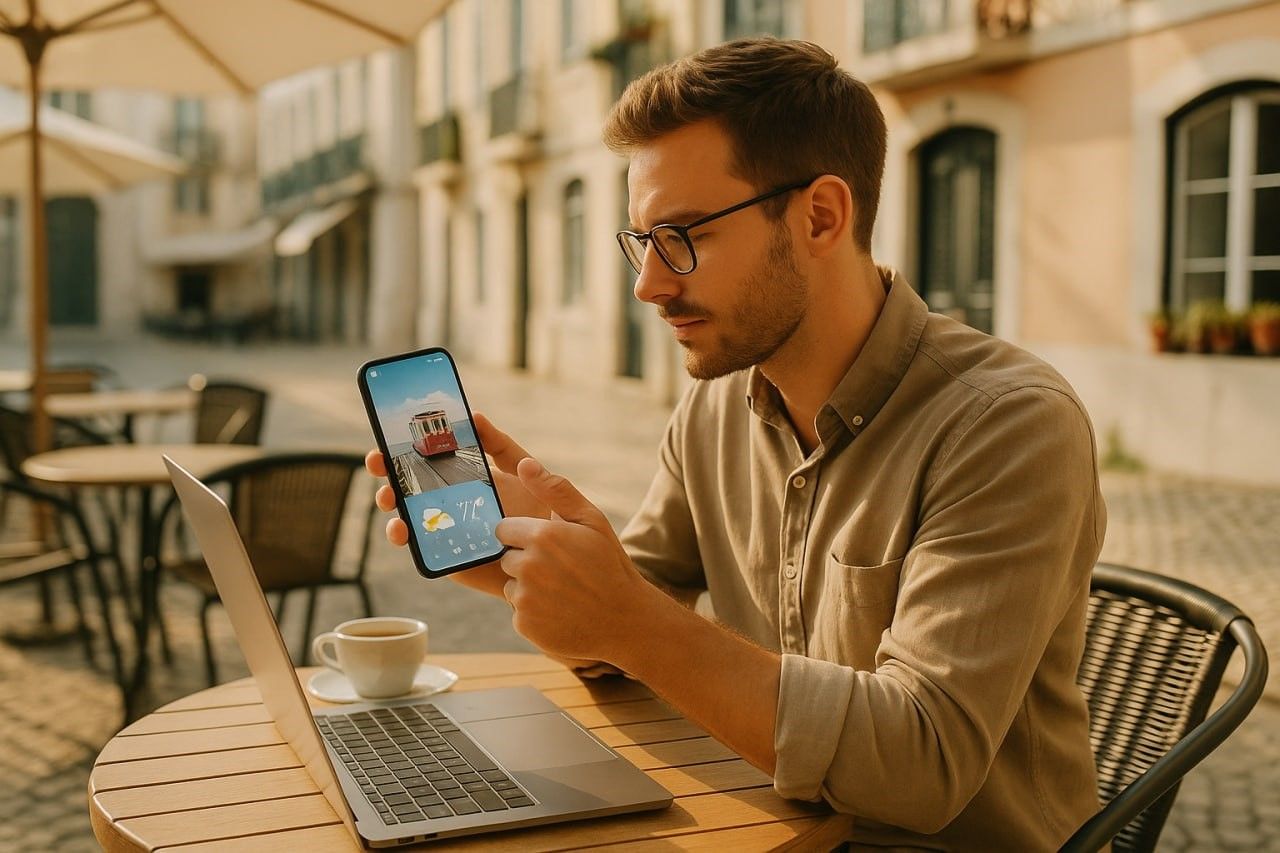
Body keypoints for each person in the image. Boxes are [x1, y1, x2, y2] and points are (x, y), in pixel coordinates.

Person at [366, 38, 1106, 850]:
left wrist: (631, 620)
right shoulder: (716, 405)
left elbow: (921, 763)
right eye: (640, 240)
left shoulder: (1006, 424)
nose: (648, 283)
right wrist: (534, 556)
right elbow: (636, 608)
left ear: (821, 216)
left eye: (683, 235)